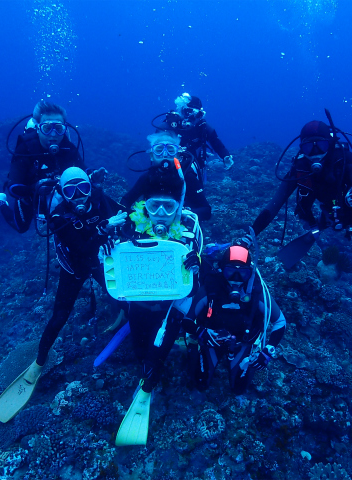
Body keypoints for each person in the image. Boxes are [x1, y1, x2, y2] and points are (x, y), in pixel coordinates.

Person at [0, 167, 127, 423]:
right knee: (59, 317)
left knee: (123, 296)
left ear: (90, 187)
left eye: (83, 188)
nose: (79, 196)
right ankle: (38, 363)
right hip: (74, 268)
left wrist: (124, 224)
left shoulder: (99, 197)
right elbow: (81, 249)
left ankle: (124, 317)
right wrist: (105, 228)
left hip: (98, 262)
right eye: (71, 191)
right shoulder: (58, 216)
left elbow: (123, 213)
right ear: (63, 192)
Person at [114, 175, 202, 446]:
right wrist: (105, 245)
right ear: (145, 207)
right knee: (140, 348)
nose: (161, 213)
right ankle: (145, 368)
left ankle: (148, 386)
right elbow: (114, 265)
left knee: (160, 350)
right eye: (154, 206)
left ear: (178, 208)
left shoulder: (189, 230)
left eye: (169, 206)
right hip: (140, 304)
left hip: (171, 307)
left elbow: (198, 280)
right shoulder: (129, 227)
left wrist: (196, 262)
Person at [0, 100, 106, 233]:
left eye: (58, 129)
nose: (53, 135)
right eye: (47, 128)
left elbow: (83, 170)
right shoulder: (26, 148)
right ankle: (1, 202)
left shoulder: (67, 147)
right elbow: (13, 188)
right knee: (21, 227)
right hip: (30, 195)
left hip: (59, 193)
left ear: (64, 129)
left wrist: (93, 175)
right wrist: (34, 188)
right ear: (38, 128)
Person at [182, 245, 287, 394]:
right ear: (221, 270)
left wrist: (268, 350)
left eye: (242, 273)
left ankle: (242, 357)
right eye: (230, 272)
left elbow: (280, 321)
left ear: (250, 274)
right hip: (212, 341)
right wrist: (201, 332)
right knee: (200, 382)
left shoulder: (256, 292)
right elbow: (187, 320)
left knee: (239, 388)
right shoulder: (210, 288)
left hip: (242, 342)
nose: (236, 279)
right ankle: (195, 350)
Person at [155, 93, 234, 217]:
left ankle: (188, 214)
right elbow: (156, 149)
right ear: (181, 110)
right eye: (188, 112)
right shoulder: (168, 126)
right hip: (168, 163)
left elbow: (216, 142)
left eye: (196, 114)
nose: (191, 117)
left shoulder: (202, 127)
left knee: (194, 194)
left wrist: (225, 156)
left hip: (191, 164)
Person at [122, 131, 212, 220]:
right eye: (159, 150)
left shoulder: (187, 177)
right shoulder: (146, 178)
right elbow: (125, 201)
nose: (165, 154)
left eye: (170, 150)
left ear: (178, 155)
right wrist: (131, 217)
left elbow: (206, 211)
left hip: (179, 225)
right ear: (151, 156)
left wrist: (182, 214)